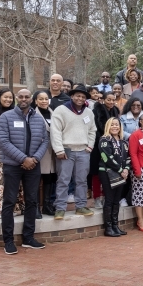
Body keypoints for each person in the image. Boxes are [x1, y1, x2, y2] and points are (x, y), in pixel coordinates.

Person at [0, 89, 49, 254]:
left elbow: (45, 140)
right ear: (17, 98)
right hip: (13, 165)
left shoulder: (38, 119)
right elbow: (2, 141)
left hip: (33, 165)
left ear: (31, 99)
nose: (24, 99)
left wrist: (35, 159)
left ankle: (28, 238)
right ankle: (8, 241)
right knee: (9, 202)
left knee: (32, 201)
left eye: (27, 97)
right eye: (21, 97)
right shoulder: (6, 117)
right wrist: (23, 159)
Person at [50, 85, 97, 220]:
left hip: (83, 151)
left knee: (81, 180)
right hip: (66, 150)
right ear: (72, 96)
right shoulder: (61, 110)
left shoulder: (88, 112)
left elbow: (92, 130)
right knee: (63, 180)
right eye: (77, 96)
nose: (80, 98)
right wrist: (58, 149)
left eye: (83, 97)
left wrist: (90, 146)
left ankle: (81, 206)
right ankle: (60, 208)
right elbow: (55, 131)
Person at [0, 89, 23, 219]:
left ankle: (13, 208)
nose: (8, 100)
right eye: (5, 97)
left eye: (10, 98)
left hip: (14, 151)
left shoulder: (14, 114)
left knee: (12, 181)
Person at [97, 118, 130, 237]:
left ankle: (115, 226)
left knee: (117, 200)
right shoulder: (104, 140)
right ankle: (108, 227)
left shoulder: (123, 142)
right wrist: (121, 170)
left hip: (121, 173)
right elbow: (107, 158)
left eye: (117, 124)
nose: (115, 127)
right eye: (112, 125)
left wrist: (126, 169)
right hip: (107, 172)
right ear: (108, 126)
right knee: (110, 199)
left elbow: (128, 158)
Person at [91, 91, 120, 208]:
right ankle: (97, 197)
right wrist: (102, 140)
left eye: (113, 100)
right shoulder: (96, 111)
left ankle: (105, 196)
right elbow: (95, 129)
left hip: (111, 145)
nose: (111, 102)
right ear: (103, 99)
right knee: (97, 172)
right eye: (109, 100)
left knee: (109, 171)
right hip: (98, 145)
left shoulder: (115, 111)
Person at [33, 91, 56, 217]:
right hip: (39, 151)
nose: (43, 101)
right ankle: (36, 206)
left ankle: (47, 205)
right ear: (36, 101)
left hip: (53, 150)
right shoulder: (33, 114)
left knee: (50, 178)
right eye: (40, 99)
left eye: (46, 99)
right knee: (37, 179)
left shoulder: (54, 113)